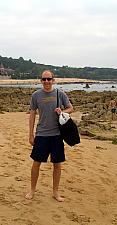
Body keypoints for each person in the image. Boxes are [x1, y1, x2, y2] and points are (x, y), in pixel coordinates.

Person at [25, 70, 74, 202]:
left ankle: (55, 192)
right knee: (36, 163)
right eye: (44, 79)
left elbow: (71, 108)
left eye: (49, 79)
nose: (46, 81)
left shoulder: (60, 94)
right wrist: (31, 134)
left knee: (57, 164)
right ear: (41, 81)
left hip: (57, 135)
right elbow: (32, 114)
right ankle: (32, 190)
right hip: (41, 134)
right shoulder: (36, 95)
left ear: (53, 80)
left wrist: (62, 111)